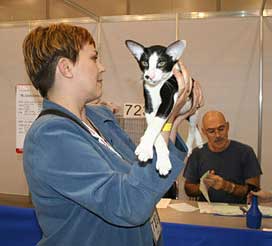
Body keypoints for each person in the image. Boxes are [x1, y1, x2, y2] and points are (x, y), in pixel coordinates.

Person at [22, 23, 203, 246]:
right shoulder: (50, 137)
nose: (102, 67)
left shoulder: (99, 119)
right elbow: (129, 205)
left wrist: (173, 119)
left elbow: (145, 180)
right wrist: (164, 121)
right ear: (66, 68)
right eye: (94, 58)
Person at [183, 110, 262, 204]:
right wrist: (203, 186)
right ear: (204, 132)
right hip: (206, 211)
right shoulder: (197, 154)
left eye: (221, 129)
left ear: (227, 127)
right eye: (211, 131)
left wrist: (227, 186)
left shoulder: (245, 152)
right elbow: (188, 190)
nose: (217, 135)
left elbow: (254, 192)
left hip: (238, 211)